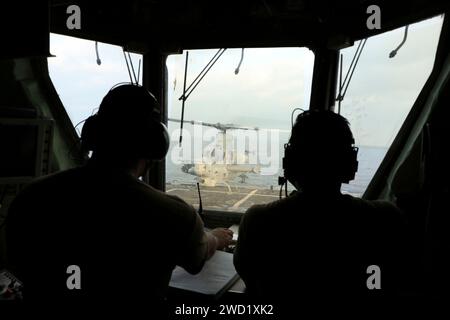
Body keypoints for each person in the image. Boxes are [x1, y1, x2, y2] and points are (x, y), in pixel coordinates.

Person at [5, 84, 233, 309]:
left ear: (93, 134)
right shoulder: (174, 214)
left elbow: (16, 265)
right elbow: (196, 258)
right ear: (155, 144)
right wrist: (214, 237)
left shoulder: (31, 197)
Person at [233, 110, 406, 309]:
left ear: (290, 161)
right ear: (350, 163)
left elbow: (252, 283)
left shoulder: (258, 222)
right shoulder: (386, 220)